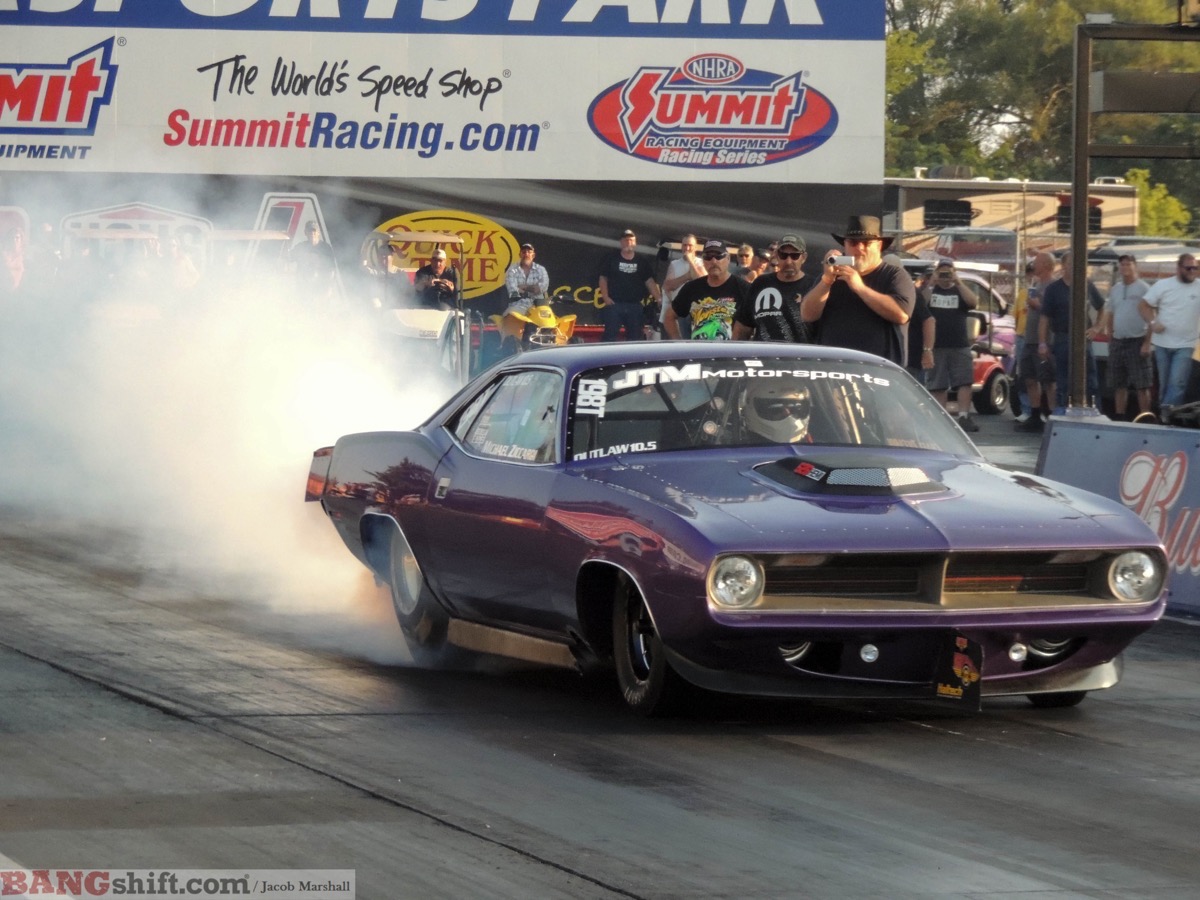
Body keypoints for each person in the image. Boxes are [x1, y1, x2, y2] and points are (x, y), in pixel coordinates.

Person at [800, 215, 914, 365]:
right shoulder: (832, 275)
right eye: (853, 243)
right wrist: (826, 281)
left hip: (879, 369)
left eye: (866, 243)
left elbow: (901, 315)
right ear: (845, 246)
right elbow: (807, 315)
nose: (859, 248)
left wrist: (859, 287)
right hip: (835, 367)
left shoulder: (894, 275)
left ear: (879, 246)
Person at [1038, 250, 1104, 410]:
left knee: (1090, 379)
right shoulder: (1053, 289)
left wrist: (1096, 328)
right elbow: (1044, 318)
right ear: (1063, 266)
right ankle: (1063, 411)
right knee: (1063, 380)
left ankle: (1093, 410)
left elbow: (1102, 307)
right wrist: (1042, 343)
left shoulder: (1087, 285)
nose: (1074, 267)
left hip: (1084, 339)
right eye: (1070, 264)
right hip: (1062, 338)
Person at [1139, 252, 1200, 417]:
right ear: (1179, 268)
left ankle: (1167, 416)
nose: (1192, 271)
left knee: (1177, 383)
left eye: (1195, 268)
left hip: (1186, 344)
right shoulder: (1163, 285)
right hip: (1162, 343)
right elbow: (1143, 305)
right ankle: (1164, 415)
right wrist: (1153, 323)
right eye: (1188, 268)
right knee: (1165, 385)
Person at [923, 259, 980, 432]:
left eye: (948, 272)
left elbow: (973, 302)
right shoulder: (931, 290)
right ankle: (941, 419)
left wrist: (958, 282)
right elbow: (921, 304)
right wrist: (931, 283)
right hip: (936, 345)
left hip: (959, 343)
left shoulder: (959, 291)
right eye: (942, 272)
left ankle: (964, 416)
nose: (945, 276)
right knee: (938, 384)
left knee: (964, 381)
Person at [1093, 254, 1152, 420]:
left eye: (1128, 264)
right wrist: (1110, 337)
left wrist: (1147, 342)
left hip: (1137, 340)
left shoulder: (1144, 288)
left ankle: (1145, 417)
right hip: (1118, 341)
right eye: (1122, 265)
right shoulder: (1116, 289)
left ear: (1135, 266)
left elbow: (1152, 317)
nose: (1125, 267)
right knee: (1119, 384)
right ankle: (1120, 417)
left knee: (1142, 384)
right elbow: (1110, 313)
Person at [732, 233, 818, 343]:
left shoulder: (813, 286)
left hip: (800, 353)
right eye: (783, 255)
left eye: (795, 256)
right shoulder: (761, 284)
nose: (788, 261)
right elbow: (742, 327)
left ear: (804, 258)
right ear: (777, 256)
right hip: (764, 352)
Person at [665, 240, 749, 340]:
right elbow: (669, 316)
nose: (713, 261)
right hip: (699, 349)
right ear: (703, 261)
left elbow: (755, 322)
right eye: (708, 257)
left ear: (728, 258)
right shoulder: (692, 288)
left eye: (718, 256)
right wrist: (678, 343)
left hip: (731, 349)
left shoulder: (743, 288)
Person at [1015, 252, 1058, 433]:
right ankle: (1035, 414)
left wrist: (1037, 305)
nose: (1034, 265)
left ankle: (1052, 415)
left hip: (1045, 340)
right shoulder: (1036, 284)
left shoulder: (1053, 286)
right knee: (1030, 378)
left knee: (1048, 379)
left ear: (1047, 265)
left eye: (1038, 262)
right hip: (1029, 338)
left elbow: (1054, 312)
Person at [597, 228, 660, 341]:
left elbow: (649, 281)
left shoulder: (641, 261)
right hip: (615, 304)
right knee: (609, 336)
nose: (628, 243)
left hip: (634, 305)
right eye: (626, 240)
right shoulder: (612, 259)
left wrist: (659, 299)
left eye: (631, 240)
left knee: (635, 337)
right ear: (621, 242)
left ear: (635, 243)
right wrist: (605, 297)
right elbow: (603, 278)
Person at [738, 377, 812, 444]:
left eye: (795, 408)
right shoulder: (737, 446)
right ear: (750, 409)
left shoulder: (814, 447)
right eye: (776, 409)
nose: (789, 418)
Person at [660, 233, 705, 339]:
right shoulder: (674, 264)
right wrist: (687, 276)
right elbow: (667, 286)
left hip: (695, 312)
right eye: (684, 245)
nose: (687, 248)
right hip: (678, 311)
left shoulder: (701, 263)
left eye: (690, 245)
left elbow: (702, 281)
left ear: (695, 247)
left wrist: (690, 261)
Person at [290, 220, 337, 303]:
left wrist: (328, 291)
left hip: (320, 288)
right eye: (309, 231)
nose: (312, 233)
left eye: (314, 231)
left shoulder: (326, 248)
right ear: (305, 233)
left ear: (319, 233)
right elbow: (287, 259)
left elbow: (332, 271)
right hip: (303, 289)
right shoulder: (300, 247)